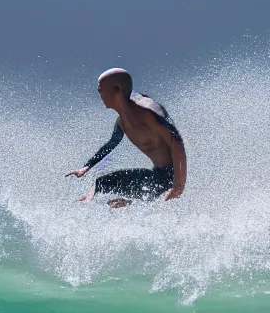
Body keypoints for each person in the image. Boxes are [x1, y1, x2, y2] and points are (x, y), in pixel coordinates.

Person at [65, 68, 187, 208]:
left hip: (171, 178)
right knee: (100, 185)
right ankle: (81, 211)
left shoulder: (148, 110)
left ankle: (133, 204)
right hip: (156, 176)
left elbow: (176, 142)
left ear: (117, 89)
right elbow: (111, 144)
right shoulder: (122, 123)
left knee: (119, 202)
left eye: (101, 90)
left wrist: (178, 186)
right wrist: (86, 167)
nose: (99, 94)